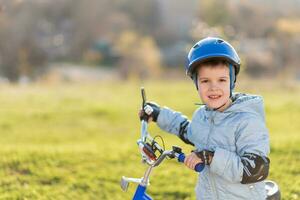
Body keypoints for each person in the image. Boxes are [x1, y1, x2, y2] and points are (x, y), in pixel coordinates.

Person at [139, 37, 270, 200]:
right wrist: (158, 114)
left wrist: (210, 157)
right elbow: (186, 129)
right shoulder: (202, 116)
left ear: (232, 82)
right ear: (196, 84)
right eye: (205, 81)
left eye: (221, 80)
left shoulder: (247, 121)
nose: (213, 87)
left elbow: (256, 169)